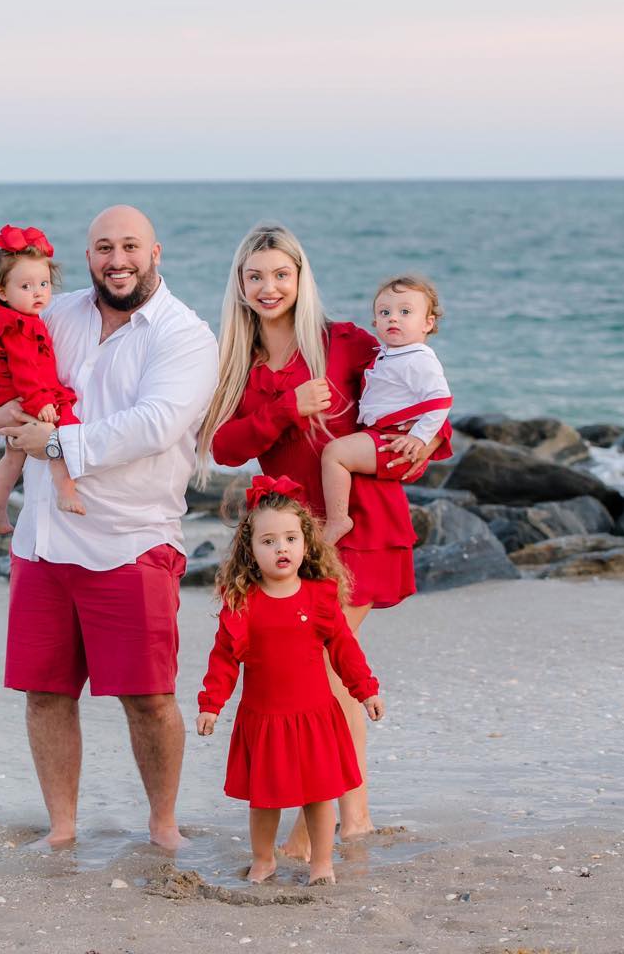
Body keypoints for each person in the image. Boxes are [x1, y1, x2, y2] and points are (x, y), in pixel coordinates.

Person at [0, 205, 218, 851]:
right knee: (45, 694)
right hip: (44, 538)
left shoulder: (185, 335)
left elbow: (153, 424)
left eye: (131, 246)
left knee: (149, 697)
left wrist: (54, 443)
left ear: (157, 253)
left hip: (134, 538)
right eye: (104, 247)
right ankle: (63, 829)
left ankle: (163, 825)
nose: (117, 259)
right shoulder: (54, 310)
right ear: (88, 256)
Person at [196, 223, 449, 857]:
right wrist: (286, 408)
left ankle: (344, 822)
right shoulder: (240, 363)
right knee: (318, 672)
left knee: (330, 672)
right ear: (241, 285)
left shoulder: (345, 343)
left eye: (281, 274)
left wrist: (423, 446)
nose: (269, 286)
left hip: (358, 525)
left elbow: (421, 406)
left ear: (301, 278)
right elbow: (225, 448)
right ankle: (342, 819)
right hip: (287, 541)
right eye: (255, 276)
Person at [196, 475, 383, 885]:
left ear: (305, 543)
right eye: (268, 541)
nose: (281, 548)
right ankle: (263, 859)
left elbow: (344, 651)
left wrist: (365, 690)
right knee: (265, 801)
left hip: (315, 717)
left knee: (319, 797)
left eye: (290, 538)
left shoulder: (320, 598)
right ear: (250, 549)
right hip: (264, 720)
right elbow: (224, 660)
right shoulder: (242, 603)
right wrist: (211, 704)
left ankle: (321, 864)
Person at [0, 224, 84, 536]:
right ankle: (65, 490)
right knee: (60, 432)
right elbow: (24, 366)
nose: (38, 292)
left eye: (43, 283)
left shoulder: (19, 318)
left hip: (17, 392)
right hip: (25, 392)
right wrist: (40, 401)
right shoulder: (16, 325)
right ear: (3, 292)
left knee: (13, 456)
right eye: (26, 287)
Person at [321, 275, 453, 544]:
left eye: (405, 312)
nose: (393, 318)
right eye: (384, 312)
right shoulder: (387, 353)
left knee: (334, 454)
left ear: (428, 323)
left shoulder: (419, 358)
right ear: (375, 323)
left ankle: (338, 520)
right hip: (381, 434)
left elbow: (440, 399)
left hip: (391, 439)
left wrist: (420, 437)